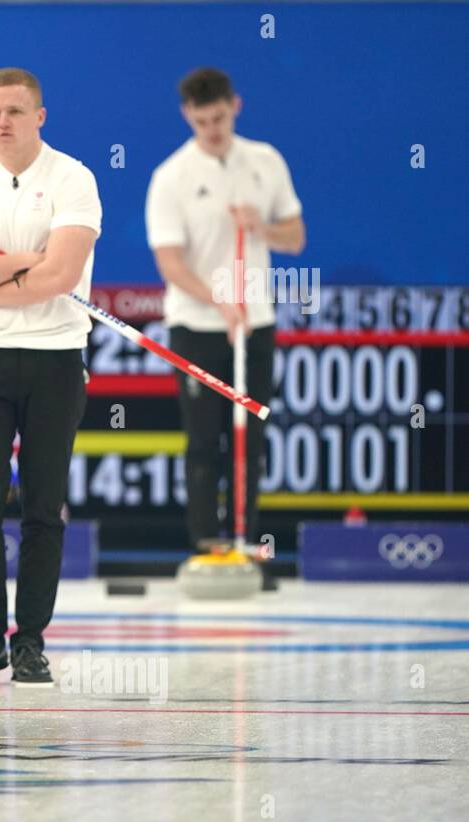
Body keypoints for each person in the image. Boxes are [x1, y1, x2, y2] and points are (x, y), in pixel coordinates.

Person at [0, 67, 101, 686]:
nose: (2, 122)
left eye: (14, 110)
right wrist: (28, 262)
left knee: (43, 504)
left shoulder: (73, 178)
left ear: (40, 115)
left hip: (56, 357)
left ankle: (30, 639)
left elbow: (61, 278)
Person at [145, 67, 305, 568]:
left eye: (218, 117)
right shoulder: (171, 176)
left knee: (250, 434)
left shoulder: (265, 161)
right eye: (201, 120)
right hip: (198, 325)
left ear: (235, 106)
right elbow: (169, 261)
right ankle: (205, 544)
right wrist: (218, 299)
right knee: (204, 437)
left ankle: (245, 541)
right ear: (186, 115)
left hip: (255, 321)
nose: (212, 128)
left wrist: (263, 227)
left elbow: (295, 237)